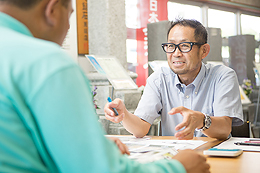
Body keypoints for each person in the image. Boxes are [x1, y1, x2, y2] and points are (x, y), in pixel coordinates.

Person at [0, 0, 210, 172]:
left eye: (184, 46)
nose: (68, 27)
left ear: (204, 51)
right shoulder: (49, 64)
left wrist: (94, 148)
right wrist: (178, 168)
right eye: (70, 15)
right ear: (52, 9)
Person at [105, 19, 243, 140]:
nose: (176, 54)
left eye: (184, 46)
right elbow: (141, 128)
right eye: (171, 46)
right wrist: (124, 114)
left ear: (204, 51)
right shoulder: (159, 79)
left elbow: (225, 129)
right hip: (173, 157)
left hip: (213, 156)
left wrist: (201, 120)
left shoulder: (223, 76)